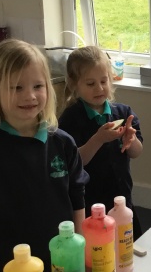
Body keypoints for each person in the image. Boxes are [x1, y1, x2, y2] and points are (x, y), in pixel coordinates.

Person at [0, 39, 88, 272]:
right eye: (16, 87)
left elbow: (77, 197)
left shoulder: (62, 143)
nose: (29, 96)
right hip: (5, 269)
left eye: (38, 86)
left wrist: (78, 252)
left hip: (58, 261)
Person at [58, 45, 144, 238]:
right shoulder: (71, 118)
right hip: (91, 202)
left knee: (127, 241)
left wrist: (130, 140)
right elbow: (75, 162)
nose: (99, 88)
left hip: (121, 198)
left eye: (104, 81)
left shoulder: (123, 113)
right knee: (99, 245)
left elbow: (137, 152)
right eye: (90, 84)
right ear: (74, 84)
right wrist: (98, 139)